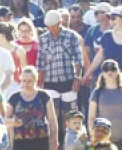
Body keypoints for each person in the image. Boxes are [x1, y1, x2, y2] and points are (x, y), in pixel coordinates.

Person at [37, 9, 83, 143]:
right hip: (50, 81)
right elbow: (40, 63)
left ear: (60, 23)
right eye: (49, 27)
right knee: (53, 115)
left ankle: (69, 144)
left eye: (54, 26)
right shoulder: (43, 38)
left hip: (68, 80)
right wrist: (40, 84)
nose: (52, 29)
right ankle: (54, 143)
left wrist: (77, 78)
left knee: (68, 116)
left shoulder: (71, 36)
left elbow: (78, 59)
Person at [88, 59, 122, 150]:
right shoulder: (96, 93)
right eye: (106, 69)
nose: (110, 72)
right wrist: (93, 136)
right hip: (102, 141)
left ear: (118, 71)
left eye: (113, 69)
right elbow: (91, 118)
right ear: (102, 73)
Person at [83, 6, 122, 86]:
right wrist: (87, 74)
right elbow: (99, 57)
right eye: (110, 18)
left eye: (114, 18)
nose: (111, 21)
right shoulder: (106, 36)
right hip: (108, 81)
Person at [6, 66, 59, 150]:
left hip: (41, 140)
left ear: (35, 80)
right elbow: (5, 120)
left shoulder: (44, 96)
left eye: (30, 81)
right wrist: (13, 122)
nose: (26, 83)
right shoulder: (14, 97)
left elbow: (52, 120)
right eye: (24, 81)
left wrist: (54, 140)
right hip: (20, 141)